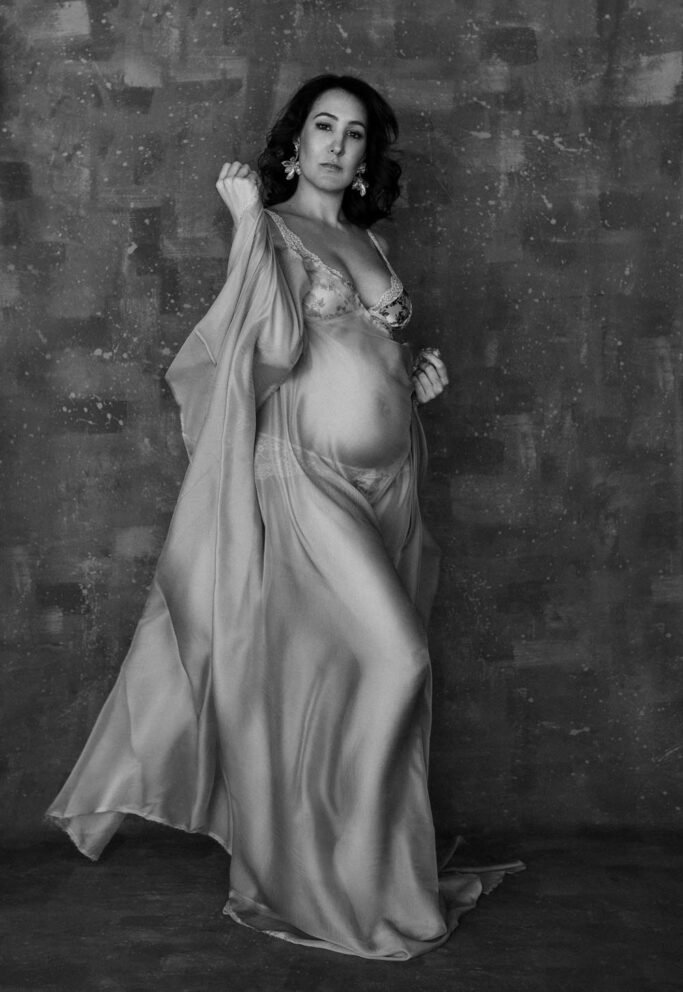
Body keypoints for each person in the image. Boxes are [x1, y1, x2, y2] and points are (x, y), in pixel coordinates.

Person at [47, 74, 522, 960]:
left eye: (354, 133)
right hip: (302, 476)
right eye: (322, 127)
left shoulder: (369, 239)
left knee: (333, 680)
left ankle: (361, 866)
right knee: (398, 659)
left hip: (387, 483)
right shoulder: (268, 227)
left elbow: (365, 347)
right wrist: (243, 229)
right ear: (294, 144)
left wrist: (412, 375)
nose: (337, 144)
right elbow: (260, 354)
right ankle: (333, 865)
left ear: (367, 155)